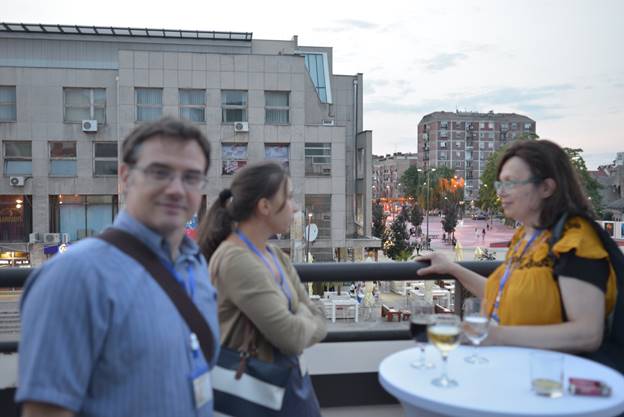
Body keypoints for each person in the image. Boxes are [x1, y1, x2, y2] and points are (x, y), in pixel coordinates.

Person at [16, 118, 220, 417]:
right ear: (125, 177)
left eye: (191, 177)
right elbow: (47, 411)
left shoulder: (196, 265)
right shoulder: (74, 275)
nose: (176, 189)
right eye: (159, 172)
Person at [417, 140, 617, 353]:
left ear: (546, 187)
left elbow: (586, 334)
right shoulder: (526, 236)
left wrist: (495, 335)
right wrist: (452, 268)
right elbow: (503, 293)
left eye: (510, 183)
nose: (501, 192)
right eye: (500, 184)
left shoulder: (575, 240)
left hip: (550, 377)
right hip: (515, 364)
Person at [197, 161, 327, 416]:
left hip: (288, 382)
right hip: (255, 391)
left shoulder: (275, 254)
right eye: (288, 197)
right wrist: (304, 314)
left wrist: (303, 317)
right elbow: (290, 337)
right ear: (264, 206)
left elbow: (319, 317)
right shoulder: (236, 260)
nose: (295, 206)